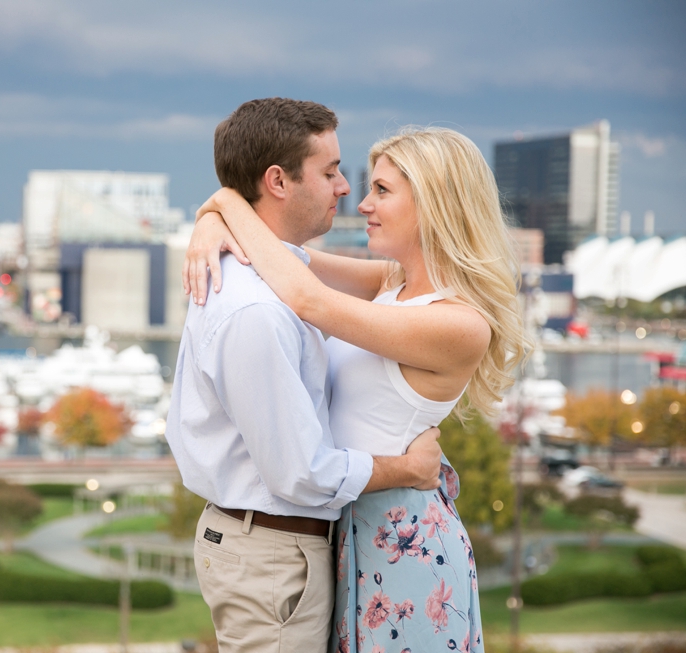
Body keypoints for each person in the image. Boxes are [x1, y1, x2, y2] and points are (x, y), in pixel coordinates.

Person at [186, 125, 527, 652]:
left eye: (383, 191)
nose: (361, 201)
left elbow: (308, 299)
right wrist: (210, 222)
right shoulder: (391, 284)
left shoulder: (460, 324)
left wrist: (226, 201)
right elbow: (282, 258)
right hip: (349, 530)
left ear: (436, 202)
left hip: (403, 546)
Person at [165, 98, 449, 653]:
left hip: (274, 549)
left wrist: (217, 209)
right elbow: (301, 473)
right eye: (330, 171)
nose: (346, 188)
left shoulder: (272, 273)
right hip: (272, 554)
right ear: (277, 181)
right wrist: (408, 468)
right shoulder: (259, 309)